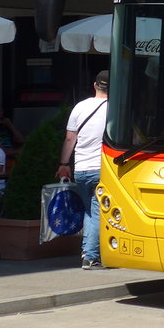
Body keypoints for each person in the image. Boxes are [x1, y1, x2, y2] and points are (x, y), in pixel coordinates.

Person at [56, 70, 109, 270]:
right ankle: (91, 257)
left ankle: (88, 251)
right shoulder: (114, 109)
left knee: (90, 210)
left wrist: (63, 164)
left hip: (80, 169)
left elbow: (70, 139)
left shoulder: (80, 107)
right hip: (101, 168)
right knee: (96, 212)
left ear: (95, 85)